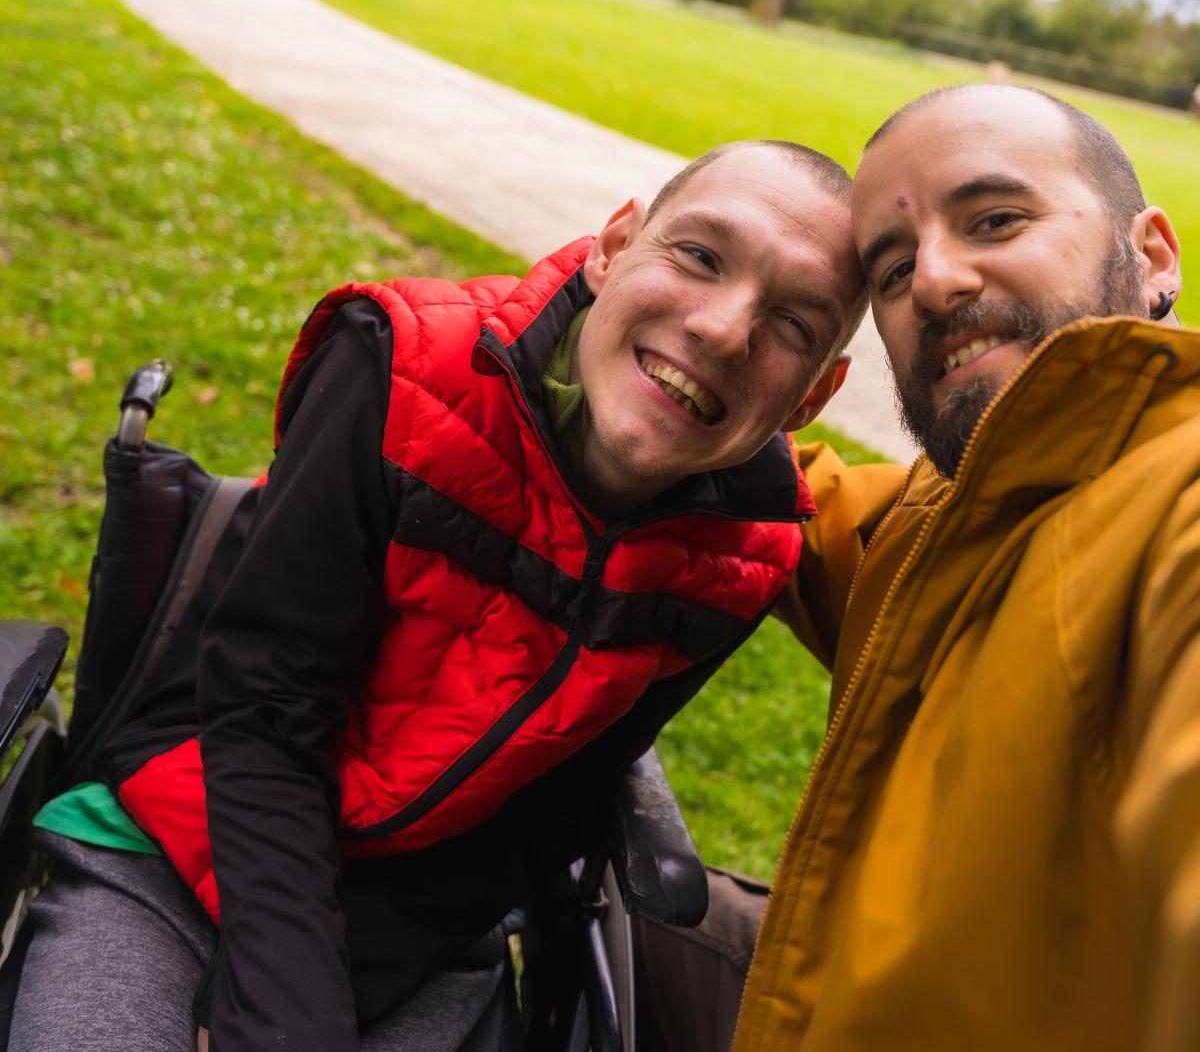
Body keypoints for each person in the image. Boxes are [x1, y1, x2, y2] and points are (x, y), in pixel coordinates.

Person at [10, 140, 868, 1052]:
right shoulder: (405, 371)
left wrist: (337, 993)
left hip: (420, 917)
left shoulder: (742, 559)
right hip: (185, 831)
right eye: (700, 256)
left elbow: (556, 807)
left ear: (815, 393)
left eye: (794, 325)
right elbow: (263, 709)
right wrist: (284, 1013)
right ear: (614, 246)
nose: (726, 330)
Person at [721, 84, 1195, 1052]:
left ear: (1151, 257)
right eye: (891, 271)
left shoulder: (1174, 509)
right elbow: (802, 500)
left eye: (996, 219)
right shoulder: (952, 513)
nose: (933, 282)